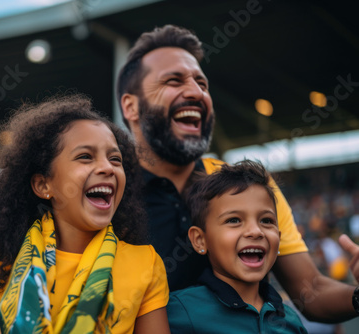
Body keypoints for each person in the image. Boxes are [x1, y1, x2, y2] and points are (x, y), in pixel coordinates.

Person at [116, 24, 359, 322]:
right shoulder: (108, 193)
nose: (195, 92)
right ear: (131, 106)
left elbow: (311, 292)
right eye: (173, 81)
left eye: (202, 84)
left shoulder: (251, 188)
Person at [0, 95, 170, 334]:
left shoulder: (146, 263)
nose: (107, 167)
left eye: (115, 159)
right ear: (43, 185)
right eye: (85, 157)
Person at [167, 160, 308, 333]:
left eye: (266, 221)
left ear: (278, 238)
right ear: (199, 240)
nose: (256, 231)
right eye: (234, 220)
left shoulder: (291, 320)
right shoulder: (178, 313)